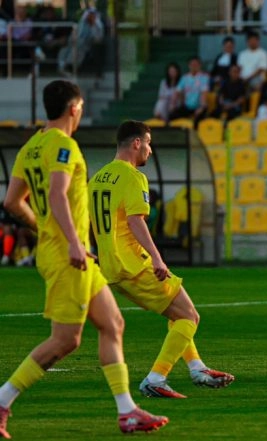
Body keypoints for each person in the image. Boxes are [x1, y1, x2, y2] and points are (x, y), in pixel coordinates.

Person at [0, 80, 168, 438]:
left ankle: (127, 412)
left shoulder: (31, 147)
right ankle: (2, 400)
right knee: (66, 340)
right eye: (81, 107)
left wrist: (44, 228)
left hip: (69, 252)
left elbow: (13, 202)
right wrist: (74, 242)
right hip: (70, 255)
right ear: (74, 108)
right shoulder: (64, 147)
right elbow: (59, 195)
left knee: (113, 324)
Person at [87, 120, 235, 400]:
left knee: (178, 315)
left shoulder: (97, 179)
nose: (150, 151)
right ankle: (156, 378)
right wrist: (157, 258)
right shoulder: (133, 177)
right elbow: (135, 221)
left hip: (111, 267)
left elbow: (92, 222)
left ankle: (197, 368)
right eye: (149, 143)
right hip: (134, 263)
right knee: (190, 315)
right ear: (136, 144)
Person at [57, 7, 104, 75]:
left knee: (77, 48)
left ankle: (69, 67)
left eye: (92, 15)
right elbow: (77, 34)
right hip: (74, 43)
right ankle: (62, 68)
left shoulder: (98, 25)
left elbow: (98, 38)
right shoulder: (83, 23)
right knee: (64, 50)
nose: (90, 16)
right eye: (89, 15)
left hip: (87, 45)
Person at [168, 56, 210, 125]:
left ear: (200, 65)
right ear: (189, 66)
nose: (194, 66)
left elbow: (204, 94)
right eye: (192, 65)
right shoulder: (184, 78)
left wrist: (201, 108)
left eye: (196, 64)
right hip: (187, 106)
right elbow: (177, 92)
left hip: (199, 106)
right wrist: (172, 104)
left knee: (199, 119)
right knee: (172, 115)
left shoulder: (204, 77)